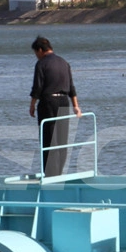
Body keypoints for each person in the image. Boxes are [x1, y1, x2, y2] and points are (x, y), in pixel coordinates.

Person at [28, 36, 81, 177]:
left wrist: (32, 104)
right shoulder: (64, 62)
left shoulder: (41, 64)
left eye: (36, 53)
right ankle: (59, 172)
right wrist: (76, 106)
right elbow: (71, 87)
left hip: (49, 102)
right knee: (62, 140)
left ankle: (50, 174)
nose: (36, 56)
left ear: (40, 50)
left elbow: (37, 87)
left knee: (49, 138)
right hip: (64, 102)